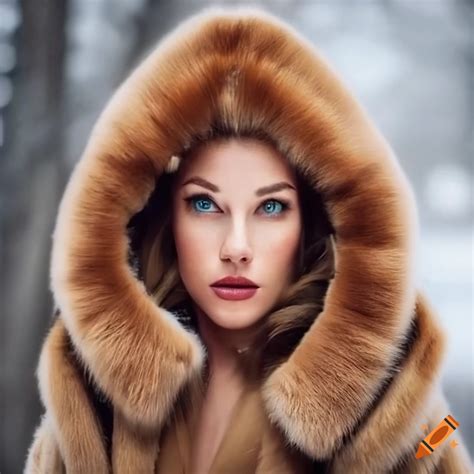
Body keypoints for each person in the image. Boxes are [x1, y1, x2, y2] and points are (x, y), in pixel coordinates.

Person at [25, 6, 472, 474]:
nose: (236, 247)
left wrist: (417, 441)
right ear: (162, 216)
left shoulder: (394, 399)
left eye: (271, 207)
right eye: (204, 205)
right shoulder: (93, 389)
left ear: (313, 223)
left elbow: (438, 441)